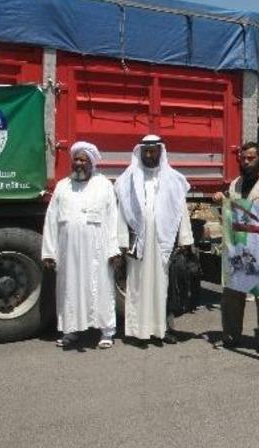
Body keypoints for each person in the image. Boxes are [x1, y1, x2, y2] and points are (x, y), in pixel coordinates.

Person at [115, 135, 194, 346]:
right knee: (138, 287)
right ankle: (138, 332)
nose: (149, 155)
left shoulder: (174, 179)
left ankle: (161, 330)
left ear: (161, 152)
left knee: (162, 286)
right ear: (140, 153)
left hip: (162, 242)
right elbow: (122, 212)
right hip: (138, 243)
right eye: (146, 151)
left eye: (153, 151)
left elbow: (181, 211)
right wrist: (122, 241)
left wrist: (185, 238)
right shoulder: (128, 178)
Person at [42, 141, 121, 349]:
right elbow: (51, 219)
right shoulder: (63, 186)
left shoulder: (104, 185)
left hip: (98, 250)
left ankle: (106, 332)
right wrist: (49, 252)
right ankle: (71, 331)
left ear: (91, 163)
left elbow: (113, 219)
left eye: (83, 160)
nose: (78, 163)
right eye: (76, 159)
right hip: (68, 251)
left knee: (101, 288)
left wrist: (114, 250)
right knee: (69, 290)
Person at [212, 142, 259, 353]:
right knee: (232, 292)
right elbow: (228, 211)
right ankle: (231, 335)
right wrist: (221, 200)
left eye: (251, 158)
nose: (246, 162)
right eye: (243, 158)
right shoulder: (235, 184)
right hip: (238, 246)